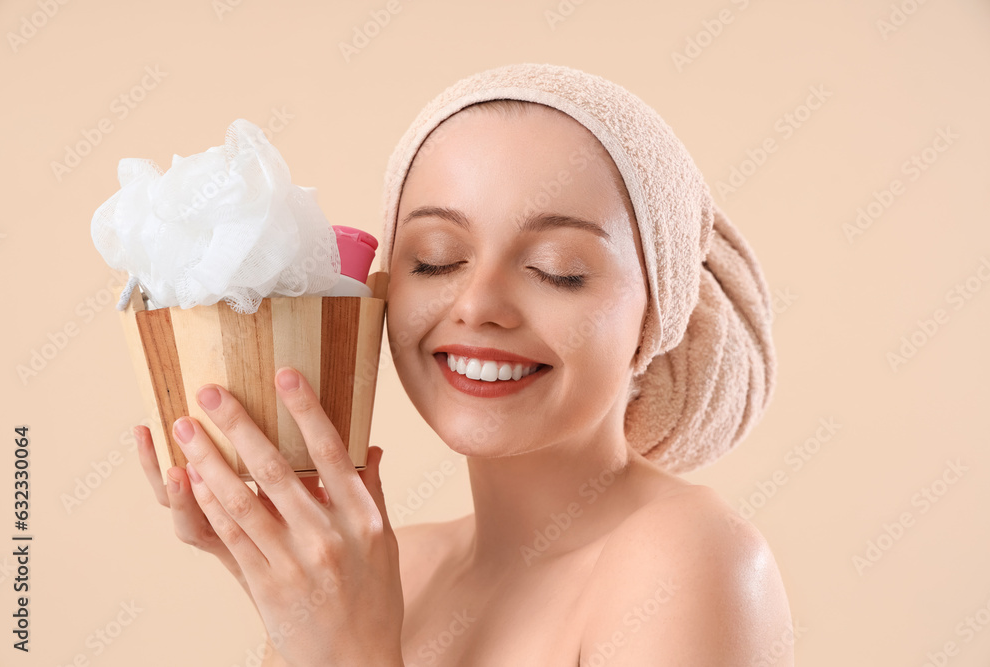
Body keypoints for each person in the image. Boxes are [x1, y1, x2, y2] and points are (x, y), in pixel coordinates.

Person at [137, 63, 792, 666]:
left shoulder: (690, 558)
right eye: (438, 259)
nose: (478, 305)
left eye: (557, 270)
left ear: (655, 317)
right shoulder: (390, 568)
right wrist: (282, 592)